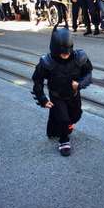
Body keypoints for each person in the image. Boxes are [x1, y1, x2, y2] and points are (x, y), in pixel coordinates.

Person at [32, 27, 93, 156]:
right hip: (57, 95)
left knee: (76, 115)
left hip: (74, 94)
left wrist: (80, 84)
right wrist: (42, 99)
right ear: (54, 48)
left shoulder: (79, 57)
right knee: (63, 119)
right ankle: (64, 140)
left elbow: (88, 73)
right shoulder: (47, 61)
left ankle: (60, 126)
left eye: (67, 52)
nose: (65, 55)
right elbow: (37, 80)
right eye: (62, 52)